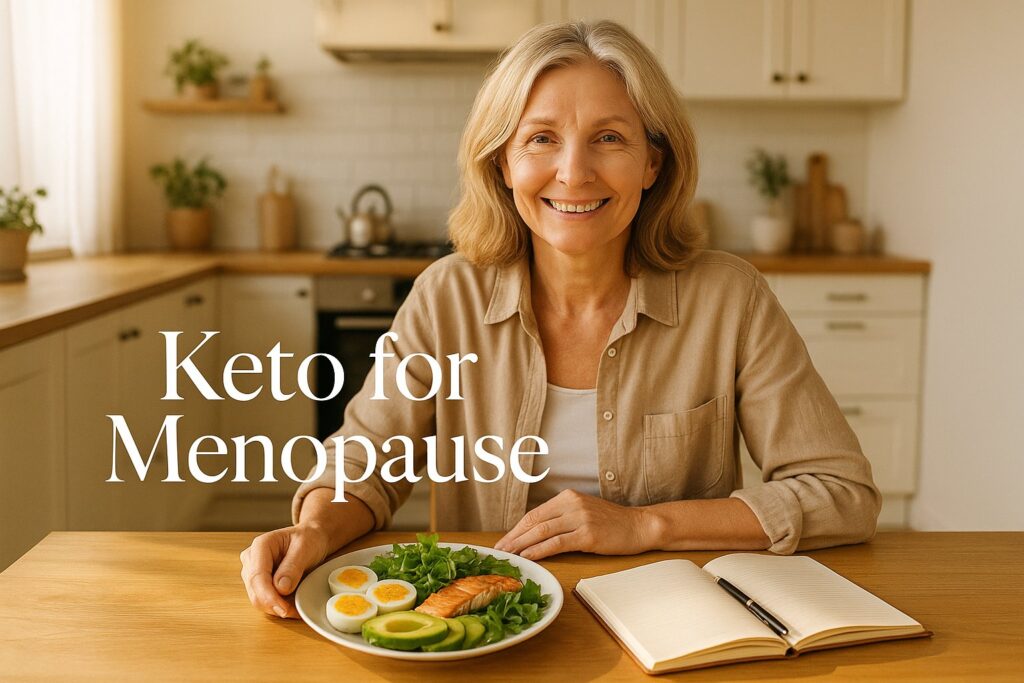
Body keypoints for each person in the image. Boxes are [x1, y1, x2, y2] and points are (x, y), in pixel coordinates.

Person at [241, 20, 881, 619]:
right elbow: (365, 463)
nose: (573, 173)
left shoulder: (730, 298)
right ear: (503, 162)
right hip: (489, 622)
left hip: (676, 619)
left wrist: (646, 525)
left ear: (653, 163)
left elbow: (841, 493)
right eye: (541, 138)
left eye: (609, 138)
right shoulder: (446, 296)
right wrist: (314, 529)